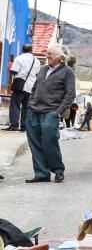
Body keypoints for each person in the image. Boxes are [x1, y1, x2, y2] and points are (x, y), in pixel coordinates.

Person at [24, 45, 76, 184]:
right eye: (48, 54)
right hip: (33, 111)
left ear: (60, 57)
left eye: (51, 54)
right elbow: (34, 88)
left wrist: (57, 112)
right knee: (34, 143)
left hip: (50, 112)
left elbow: (70, 94)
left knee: (49, 142)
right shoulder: (42, 70)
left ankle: (58, 170)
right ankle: (41, 173)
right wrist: (30, 104)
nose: (48, 56)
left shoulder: (67, 72)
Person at [7, 44, 39, 131]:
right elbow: (37, 74)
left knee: (15, 105)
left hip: (20, 85)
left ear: (22, 50)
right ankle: (24, 126)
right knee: (26, 107)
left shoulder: (19, 58)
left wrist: (10, 67)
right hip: (31, 87)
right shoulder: (36, 61)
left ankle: (14, 126)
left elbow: (13, 71)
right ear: (31, 50)